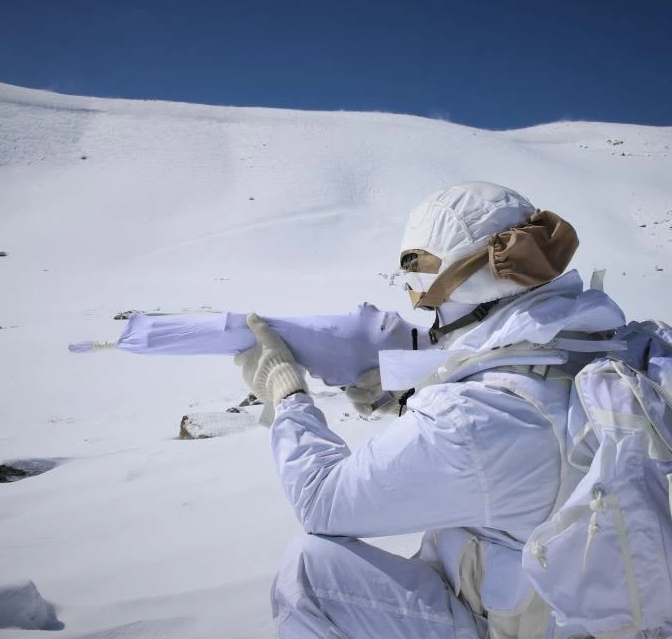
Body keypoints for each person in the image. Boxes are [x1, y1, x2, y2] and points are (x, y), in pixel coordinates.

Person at [235, 181, 627, 638]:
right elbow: (519, 432)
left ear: (470, 281)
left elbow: (320, 501)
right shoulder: (603, 347)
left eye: (425, 284)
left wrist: (287, 396)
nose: (426, 308)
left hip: (513, 625)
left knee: (308, 572)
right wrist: (410, 399)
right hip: (590, 614)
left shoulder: (473, 419)